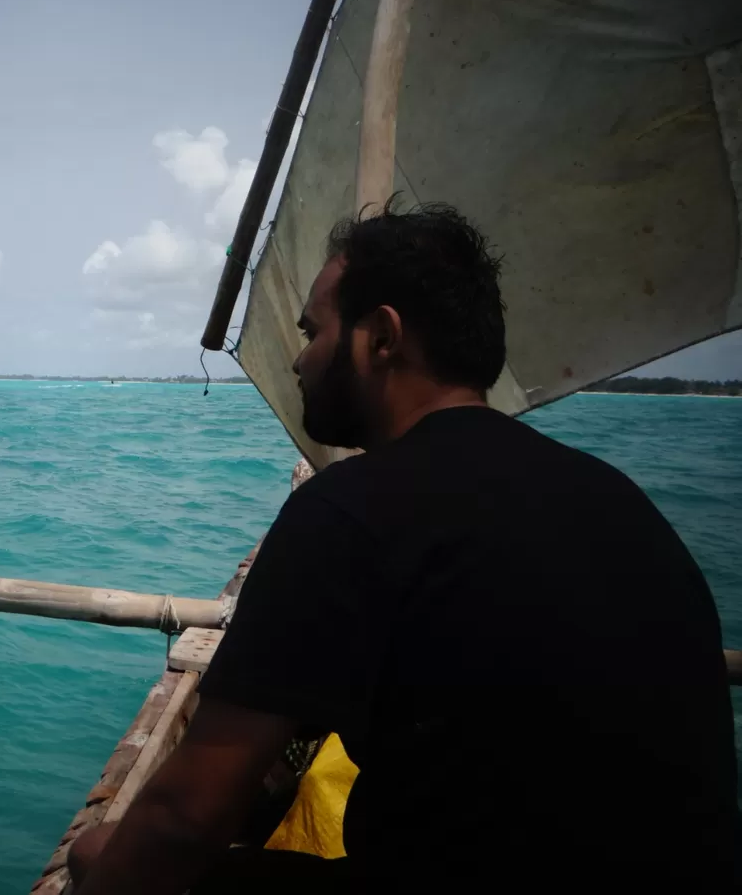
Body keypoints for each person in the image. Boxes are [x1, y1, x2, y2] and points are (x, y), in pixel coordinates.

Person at [71, 203, 738, 891]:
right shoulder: (622, 501)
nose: (299, 360)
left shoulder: (350, 510)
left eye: (312, 331)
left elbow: (186, 818)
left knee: (100, 855)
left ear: (380, 337)